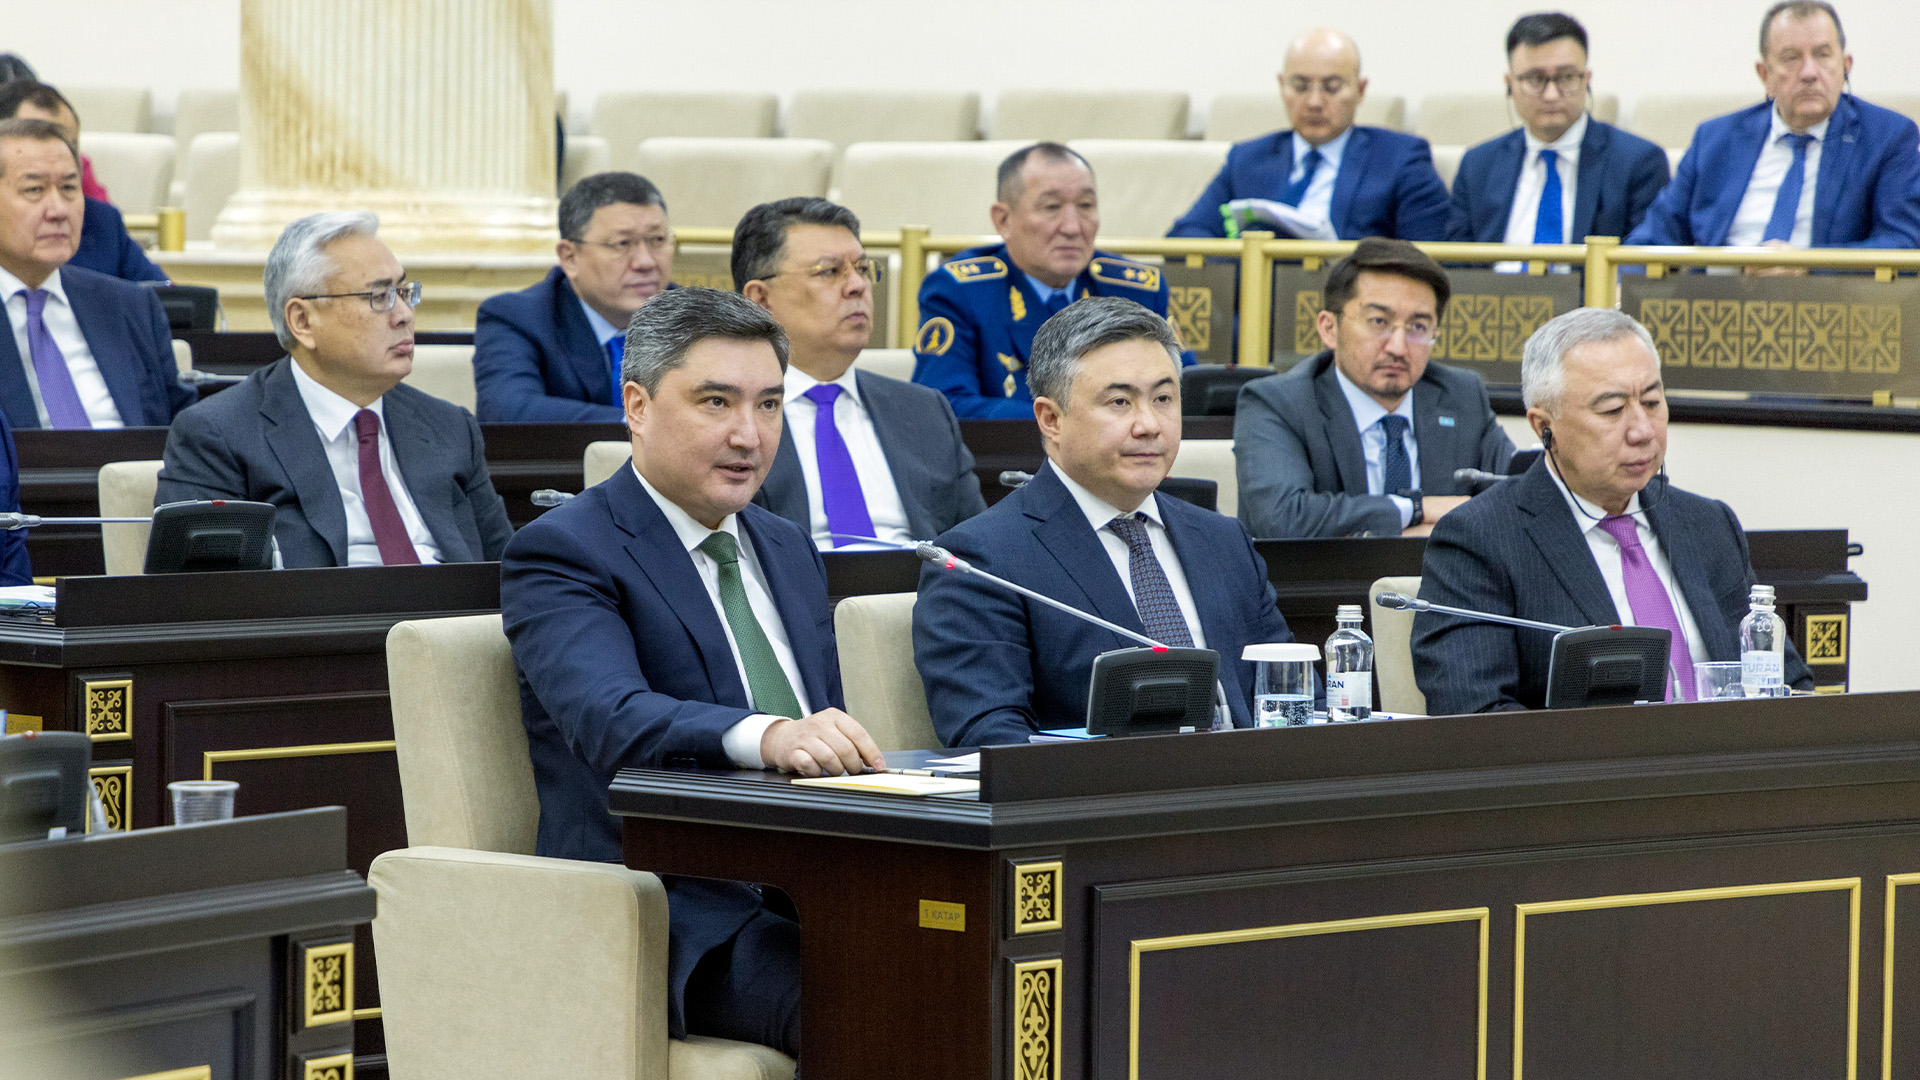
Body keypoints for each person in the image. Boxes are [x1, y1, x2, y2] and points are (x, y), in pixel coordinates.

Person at [502, 286, 886, 1058]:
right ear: (637, 405)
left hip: (820, 884)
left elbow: (827, 736)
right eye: (716, 402)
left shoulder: (786, 546)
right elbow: (609, 717)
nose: (749, 434)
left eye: (769, 404)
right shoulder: (565, 550)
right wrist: (767, 736)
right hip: (680, 907)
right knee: (876, 1004)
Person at [913, 297, 1298, 748]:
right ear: (1051, 419)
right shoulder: (982, 560)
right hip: (1099, 790)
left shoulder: (1223, 539)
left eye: (1163, 399)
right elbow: (993, 740)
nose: (1149, 425)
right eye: (1120, 402)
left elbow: (1288, 694)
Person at [1412, 307, 1813, 714]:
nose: (1642, 431)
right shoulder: (1480, 539)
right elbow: (1475, 716)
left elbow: (1787, 684)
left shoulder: (1708, 524)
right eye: (1612, 410)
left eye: (1652, 402)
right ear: (1543, 426)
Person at [155, 212, 511, 567]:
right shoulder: (218, 436)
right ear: (303, 321)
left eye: (404, 292)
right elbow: (209, 592)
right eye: (379, 296)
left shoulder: (451, 428)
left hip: (451, 603)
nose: (404, 314)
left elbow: (510, 572)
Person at [734, 197, 984, 547]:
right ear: (761, 299)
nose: (858, 285)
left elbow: (977, 546)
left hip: (917, 580)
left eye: (863, 269)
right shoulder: (729, 415)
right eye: (829, 271)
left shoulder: (924, 411)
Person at [1234, 238, 1514, 539]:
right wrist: (1416, 509)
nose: (1398, 347)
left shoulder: (1462, 395)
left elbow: (1520, 496)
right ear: (1329, 328)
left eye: (1418, 327)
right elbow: (1283, 518)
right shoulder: (1277, 403)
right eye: (1379, 321)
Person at [912, 142, 1185, 419]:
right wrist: (1073, 424)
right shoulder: (962, 292)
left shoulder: (1135, 290)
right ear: (1003, 220)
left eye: (1086, 206)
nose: (1072, 227)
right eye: (1052, 207)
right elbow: (942, 404)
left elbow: (1187, 391)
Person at [1626, 1, 1920, 253]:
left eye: (1822, 55)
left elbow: (1902, 243)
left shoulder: (1887, 138)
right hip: (1715, 295)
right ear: (1764, 74)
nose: (1809, 73)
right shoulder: (1715, 140)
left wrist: (1805, 265)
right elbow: (1652, 238)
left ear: (1845, 66)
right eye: (1791, 58)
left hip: (1825, 297)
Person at [1169, 29, 1450, 240]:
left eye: (1332, 87)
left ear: (1360, 90)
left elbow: (1428, 258)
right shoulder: (1247, 160)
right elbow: (1187, 235)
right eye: (1301, 86)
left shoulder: (1401, 158)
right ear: (1282, 86)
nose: (1314, 102)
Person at [0, 118, 189, 430]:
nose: (58, 210)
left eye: (69, 188)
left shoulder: (131, 307)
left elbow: (184, 428)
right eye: (34, 190)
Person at [1447, 13, 1669, 245]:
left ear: (1587, 80)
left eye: (1566, 77)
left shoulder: (1638, 162)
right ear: (1509, 84)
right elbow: (1455, 261)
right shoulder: (1477, 166)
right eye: (1534, 79)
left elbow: (1643, 258)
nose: (1551, 94)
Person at [474, 171, 675, 421]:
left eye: (658, 240)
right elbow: (508, 411)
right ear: (569, 257)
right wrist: (643, 424)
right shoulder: (519, 317)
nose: (645, 262)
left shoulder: (699, 318)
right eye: (622, 244)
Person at [0, 81, 166, 283]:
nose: (58, 210)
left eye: (68, 143)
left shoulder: (103, 222)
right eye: (34, 189)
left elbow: (164, 296)